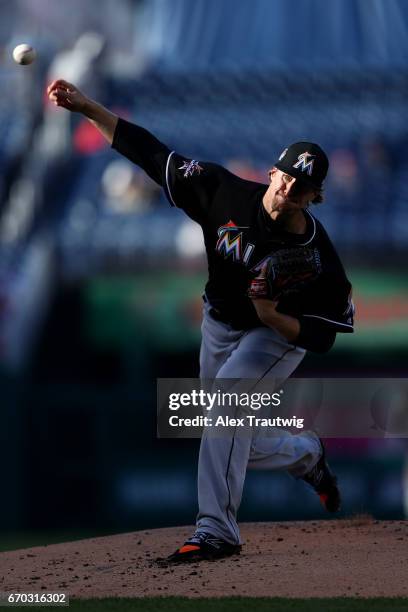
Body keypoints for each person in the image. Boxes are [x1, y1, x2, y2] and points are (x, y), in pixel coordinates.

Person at [47, 79, 355, 564]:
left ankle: (217, 531)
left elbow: (324, 338)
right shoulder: (222, 192)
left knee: (225, 409)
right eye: (287, 177)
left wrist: (273, 315)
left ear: (315, 197)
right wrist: (87, 106)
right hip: (218, 319)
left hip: (274, 333)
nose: (291, 188)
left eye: (303, 187)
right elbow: (150, 153)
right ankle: (306, 455)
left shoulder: (319, 257)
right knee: (227, 431)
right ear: (274, 171)